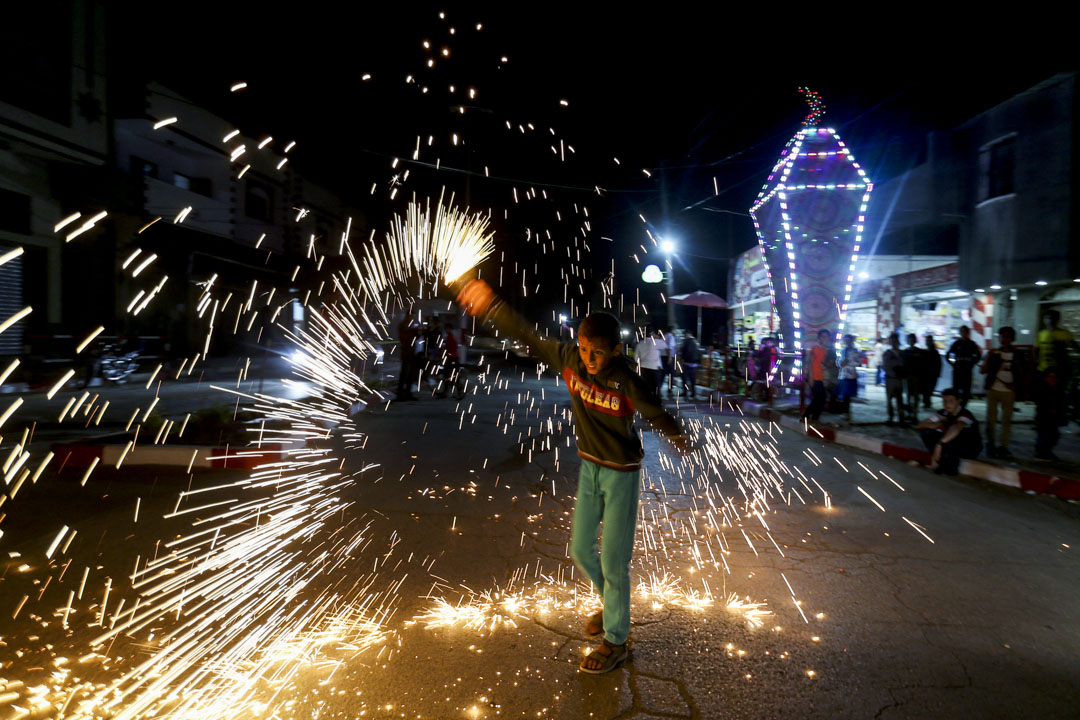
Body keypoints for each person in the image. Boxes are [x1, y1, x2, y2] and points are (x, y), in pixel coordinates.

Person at [457, 278, 690, 674]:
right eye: (584, 350)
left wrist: (678, 436)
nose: (589, 360)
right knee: (582, 550)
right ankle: (613, 604)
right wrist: (492, 305)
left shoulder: (628, 381)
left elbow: (656, 412)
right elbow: (526, 335)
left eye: (598, 353)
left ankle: (616, 640)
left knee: (615, 563)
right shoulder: (568, 357)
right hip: (590, 469)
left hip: (621, 473)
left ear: (617, 350)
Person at [1034, 309, 1076, 460]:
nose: (1049, 320)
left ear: (1057, 319)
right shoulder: (1042, 334)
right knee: (1044, 411)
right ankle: (1042, 447)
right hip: (1043, 375)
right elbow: (1036, 352)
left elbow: (1075, 347)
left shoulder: (1064, 334)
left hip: (1058, 377)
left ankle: (1045, 446)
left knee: (1054, 411)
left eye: (1052, 317)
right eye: (1047, 317)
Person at [980, 326, 1027, 460]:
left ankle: (1003, 446)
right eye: (1002, 336)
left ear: (1012, 338)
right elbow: (983, 370)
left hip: (1008, 391)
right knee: (991, 420)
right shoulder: (994, 353)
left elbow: (1023, 372)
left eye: (1007, 336)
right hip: (993, 389)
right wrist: (989, 356)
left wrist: (1017, 386)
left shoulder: (1018, 354)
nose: (1004, 339)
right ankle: (990, 444)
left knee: (1006, 420)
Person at [918, 387, 983, 475]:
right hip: (951, 445)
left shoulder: (965, 414)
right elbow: (921, 424)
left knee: (951, 437)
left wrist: (939, 444)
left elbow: (956, 428)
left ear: (958, 402)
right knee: (926, 432)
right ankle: (938, 460)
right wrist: (935, 425)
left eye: (951, 401)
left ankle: (950, 468)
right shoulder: (943, 413)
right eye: (944, 401)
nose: (947, 404)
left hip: (969, 448)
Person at [945, 326, 982, 407]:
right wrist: (953, 364)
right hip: (957, 370)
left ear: (967, 333)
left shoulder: (972, 344)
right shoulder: (956, 343)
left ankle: (963, 407)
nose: (963, 333)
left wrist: (972, 363)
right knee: (956, 389)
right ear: (960, 332)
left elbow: (978, 355)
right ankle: (955, 406)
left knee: (966, 390)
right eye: (962, 331)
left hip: (967, 370)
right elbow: (948, 354)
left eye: (965, 331)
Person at [803, 329, 832, 422]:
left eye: (826, 336)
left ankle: (811, 417)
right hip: (814, 377)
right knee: (820, 398)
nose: (825, 338)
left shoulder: (826, 350)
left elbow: (825, 365)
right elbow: (810, 363)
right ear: (819, 338)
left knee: (820, 398)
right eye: (823, 336)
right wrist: (810, 378)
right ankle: (809, 417)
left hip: (821, 377)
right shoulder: (815, 348)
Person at [882, 333, 905, 425]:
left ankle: (901, 417)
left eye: (895, 340)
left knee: (899, 399)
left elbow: (904, 365)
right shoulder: (887, 353)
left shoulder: (901, 353)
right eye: (892, 341)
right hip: (891, 379)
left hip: (898, 379)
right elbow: (885, 366)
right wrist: (895, 373)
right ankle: (890, 417)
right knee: (889, 399)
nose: (893, 342)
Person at [902, 333, 925, 424]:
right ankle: (910, 413)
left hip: (916, 377)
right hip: (908, 377)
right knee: (908, 396)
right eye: (910, 340)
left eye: (912, 339)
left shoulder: (919, 352)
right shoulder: (905, 352)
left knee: (915, 397)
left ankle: (914, 414)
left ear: (915, 341)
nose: (911, 341)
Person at [634, 329, 663, 397]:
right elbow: (666, 345)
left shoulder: (640, 343)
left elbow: (636, 357)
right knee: (656, 385)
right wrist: (658, 338)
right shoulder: (656, 342)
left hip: (643, 366)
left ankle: (647, 399)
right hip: (654, 367)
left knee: (646, 384)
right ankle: (656, 400)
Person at [396, 314, 418, 401]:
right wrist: (413, 331)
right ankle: (401, 394)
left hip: (412, 352)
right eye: (410, 317)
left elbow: (416, 337)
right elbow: (404, 335)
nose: (411, 318)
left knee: (410, 375)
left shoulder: (411, 325)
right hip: (406, 352)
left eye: (412, 317)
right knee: (404, 374)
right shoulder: (403, 325)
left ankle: (408, 393)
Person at [838, 334, 860, 420]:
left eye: (848, 340)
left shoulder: (855, 351)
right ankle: (846, 412)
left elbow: (858, 363)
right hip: (843, 375)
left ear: (851, 341)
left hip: (851, 375)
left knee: (848, 395)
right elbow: (838, 361)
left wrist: (849, 362)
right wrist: (841, 363)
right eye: (845, 340)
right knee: (844, 394)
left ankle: (847, 412)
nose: (847, 342)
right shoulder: (842, 351)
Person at [679, 331, 701, 399]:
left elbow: (684, 351)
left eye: (685, 335)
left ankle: (685, 392)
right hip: (694, 364)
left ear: (687, 335)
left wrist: (682, 359)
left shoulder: (686, 341)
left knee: (684, 378)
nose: (685, 336)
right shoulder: (696, 342)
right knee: (692, 380)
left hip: (687, 363)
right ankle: (693, 393)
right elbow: (699, 352)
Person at [922, 334, 942, 409]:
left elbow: (938, 364)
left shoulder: (932, 352)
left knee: (928, 389)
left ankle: (927, 401)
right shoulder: (928, 351)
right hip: (929, 374)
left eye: (928, 340)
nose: (927, 342)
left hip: (931, 373)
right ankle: (927, 401)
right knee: (928, 389)